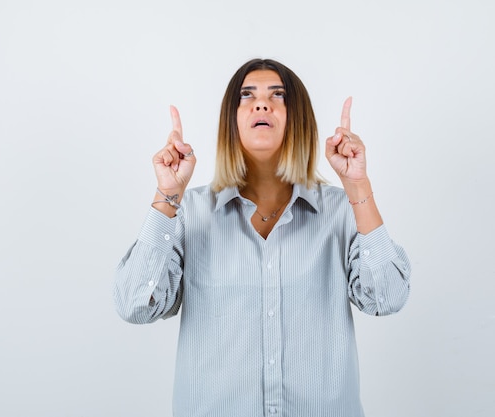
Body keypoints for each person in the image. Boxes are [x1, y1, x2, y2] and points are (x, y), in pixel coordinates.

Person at [114, 58, 410, 417]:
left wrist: (358, 185)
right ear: (231, 120)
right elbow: (134, 305)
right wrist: (167, 197)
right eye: (247, 95)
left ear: (297, 118)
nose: (261, 103)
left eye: (278, 95)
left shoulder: (341, 210)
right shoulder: (189, 213)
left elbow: (388, 297)